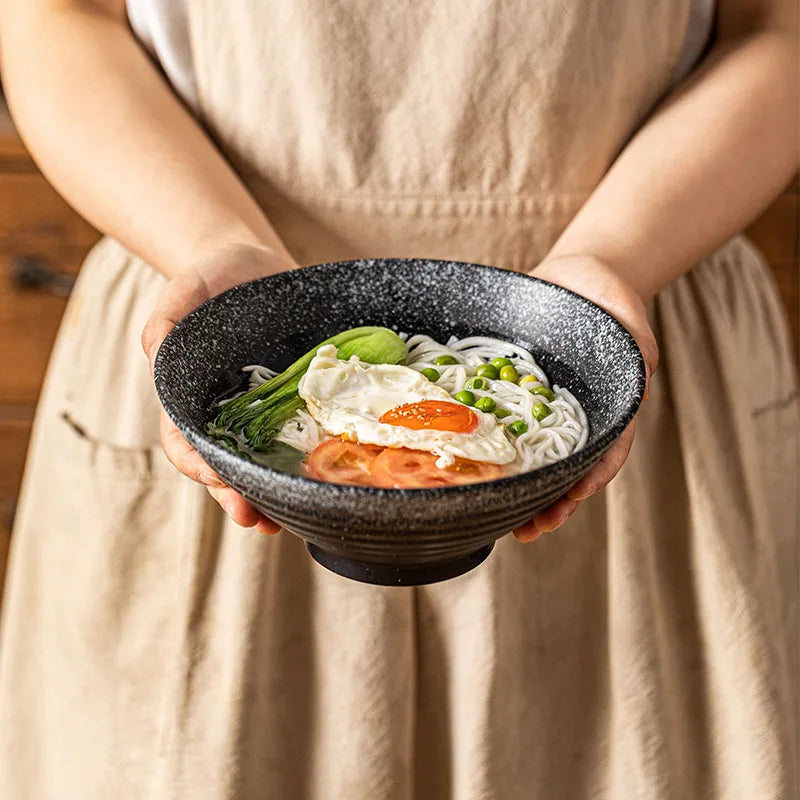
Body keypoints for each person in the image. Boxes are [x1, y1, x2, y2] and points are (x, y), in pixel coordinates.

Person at [0, 0, 797, 797]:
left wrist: (612, 254)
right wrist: (211, 241)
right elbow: (59, 17)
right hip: (212, 290)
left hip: (627, 294)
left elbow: (774, 33)